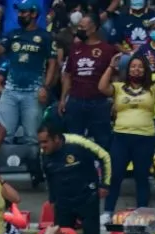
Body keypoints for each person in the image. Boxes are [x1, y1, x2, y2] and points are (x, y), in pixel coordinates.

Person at [99, 52, 155, 213]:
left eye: (140, 67)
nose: (136, 69)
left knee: (141, 177)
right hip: (121, 137)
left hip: (145, 138)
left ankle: (142, 213)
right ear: (128, 69)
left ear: (145, 70)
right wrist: (111, 67)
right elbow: (102, 87)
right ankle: (108, 212)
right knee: (115, 176)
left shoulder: (152, 88)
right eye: (133, 66)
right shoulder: (118, 87)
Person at [37, 121, 111, 234]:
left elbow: (105, 157)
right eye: (40, 142)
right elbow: (49, 178)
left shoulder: (78, 143)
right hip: (64, 203)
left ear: (57, 138)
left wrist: (105, 184)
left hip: (87, 199)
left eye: (45, 142)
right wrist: (52, 201)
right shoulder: (43, 154)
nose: (42, 146)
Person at [0, 0, 56, 144]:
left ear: (34, 14)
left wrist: (45, 87)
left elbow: (53, 64)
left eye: (23, 12)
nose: (19, 15)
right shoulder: (12, 34)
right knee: (4, 135)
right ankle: (5, 166)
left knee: (32, 136)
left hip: (33, 92)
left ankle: (32, 166)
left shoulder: (45, 36)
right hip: (10, 91)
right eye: (19, 12)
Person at [59, 12, 116, 151]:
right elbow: (68, 75)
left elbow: (115, 78)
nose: (79, 30)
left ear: (94, 28)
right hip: (76, 100)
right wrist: (63, 99)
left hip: (99, 102)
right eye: (78, 26)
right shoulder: (74, 49)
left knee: (103, 141)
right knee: (74, 141)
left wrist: (115, 101)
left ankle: (105, 171)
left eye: (82, 27)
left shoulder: (108, 50)